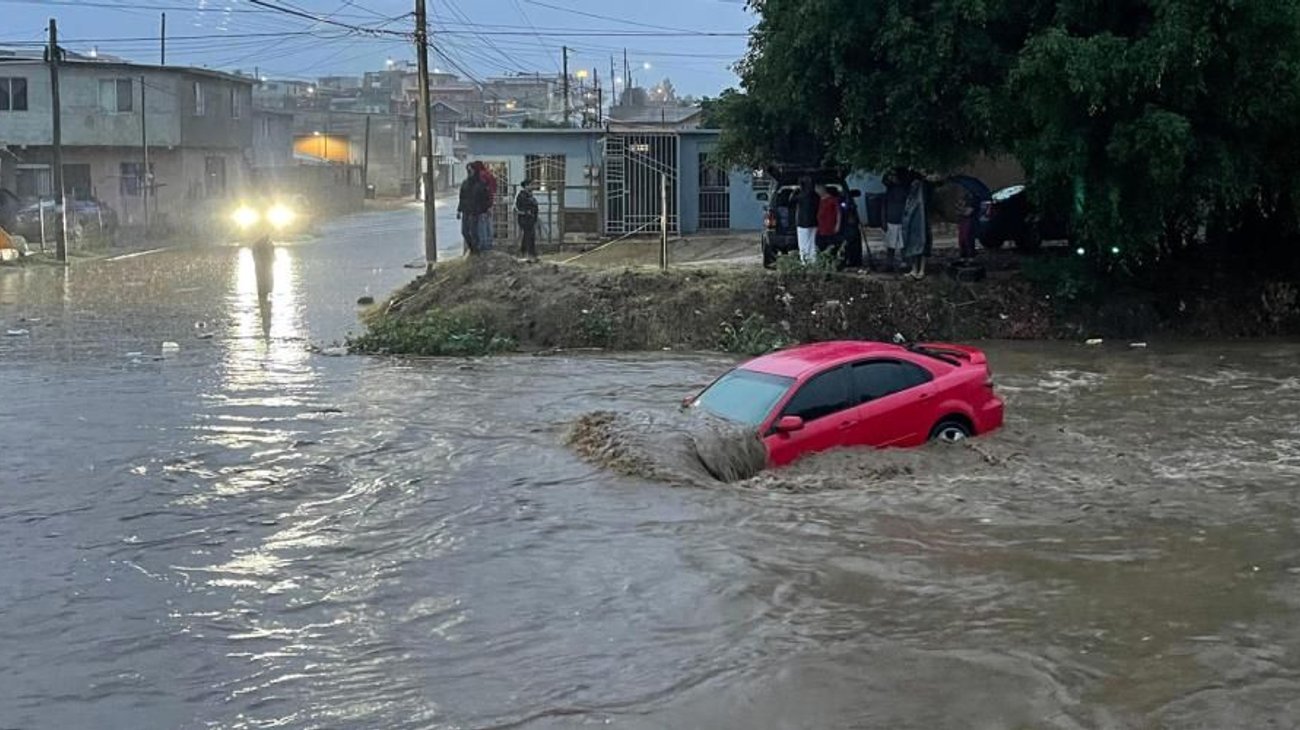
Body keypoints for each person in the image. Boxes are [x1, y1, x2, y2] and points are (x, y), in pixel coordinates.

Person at [901, 174, 929, 279]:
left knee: (922, 247)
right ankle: (914, 269)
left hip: (921, 225)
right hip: (912, 226)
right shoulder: (911, 198)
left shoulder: (923, 197)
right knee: (912, 247)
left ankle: (921, 270)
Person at [883, 169, 908, 272]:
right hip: (891, 219)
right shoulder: (890, 188)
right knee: (890, 244)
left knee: (902, 244)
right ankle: (890, 264)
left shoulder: (904, 189)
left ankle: (904, 263)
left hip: (901, 219)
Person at [457, 162, 484, 253]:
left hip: (475, 211)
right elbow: (461, 197)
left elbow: (484, 198)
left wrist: (482, 209)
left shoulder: (480, 184)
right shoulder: (465, 183)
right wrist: (459, 210)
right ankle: (472, 248)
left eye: (471, 169)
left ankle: (476, 249)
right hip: (466, 210)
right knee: (464, 231)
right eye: (468, 170)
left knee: (473, 231)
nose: (469, 171)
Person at [794, 175, 819, 263]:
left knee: (803, 243)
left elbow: (790, 201)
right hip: (814, 222)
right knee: (812, 243)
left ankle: (804, 262)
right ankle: (813, 261)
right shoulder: (816, 196)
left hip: (802, 223)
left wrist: (795, 191)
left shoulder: (800, 196)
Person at [814, 184, 842, 260]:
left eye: (817, 190)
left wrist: (837, 225)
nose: (817, 192)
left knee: (831, 246)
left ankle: (831, 260)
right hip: (820, 228)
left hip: (830, 227)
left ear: (822, 190)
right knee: (820, 246)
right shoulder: (818, 200)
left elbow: (838, 213)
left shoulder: (832, 200)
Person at [515, 178, 540, 261]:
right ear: (526, 186)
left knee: (530, 236)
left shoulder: (530, 195)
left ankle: (530, 253)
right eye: (531, 185)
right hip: (525, 219)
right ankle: (526, 253)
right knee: (528, 236)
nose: (532, 186)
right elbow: (517, 207)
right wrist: (526, 212)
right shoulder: (521, 195)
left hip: (531, 219)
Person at [476, 162, 498, 250]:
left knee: (482, 225)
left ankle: (484, 245)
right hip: (490, 202)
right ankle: (489, 243)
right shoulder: (490, 175)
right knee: (489, 224)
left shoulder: (481, 176)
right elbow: (495, 188)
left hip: (483, 204)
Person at [957, 189, 977, 259]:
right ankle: (963, 255)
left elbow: (968, 212)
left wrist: (961, 211)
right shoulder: (964, 200)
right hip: (963, 221)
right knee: (962, 239)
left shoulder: (972, 201)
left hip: (969, 221)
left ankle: (970, 256)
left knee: (967, 238)